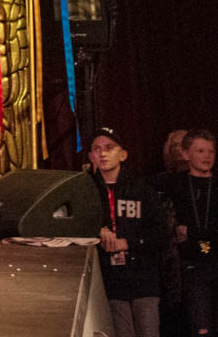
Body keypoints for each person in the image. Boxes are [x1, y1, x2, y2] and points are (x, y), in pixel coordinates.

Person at [88, 128, 167, 337]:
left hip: (143, 276)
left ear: (122, 154)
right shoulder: (86, 190)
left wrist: (128, 242)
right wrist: (96, 232)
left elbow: (161, 233)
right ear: (91, 157)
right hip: (109, 278)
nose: (103, 153)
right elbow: (74, 226)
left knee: (148, 330)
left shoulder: (141, 188)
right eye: (96, 149)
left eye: (109, 148)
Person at [173, 129, 217, 337]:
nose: (207, 156)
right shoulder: (175, 184)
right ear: (186, 154)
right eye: (200, 151)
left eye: (211, 151)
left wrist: (192, 232)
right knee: (201, 327)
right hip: (192, 267)